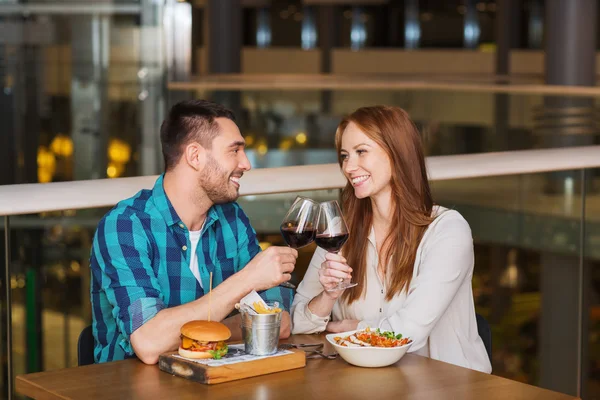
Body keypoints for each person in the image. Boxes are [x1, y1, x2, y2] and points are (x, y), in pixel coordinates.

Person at [90, 100, 297, 364]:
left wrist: (186, 331)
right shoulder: (125, 226)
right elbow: (150, 342)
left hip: (220, 384)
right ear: (195, 156)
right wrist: (248, 280)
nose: (245, 163)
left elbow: (278, 325)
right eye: (234, 150)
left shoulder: (232, 219)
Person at [291, 105, 492, 373]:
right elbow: (297, 323)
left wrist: (356, 328)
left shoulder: (447, 231)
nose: (349, 167)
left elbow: (408, 333)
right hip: (366, 385)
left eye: (361, 151)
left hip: (446, 388)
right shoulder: (341, 233)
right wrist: (328, 296)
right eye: (344, 155)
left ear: (397, 153)